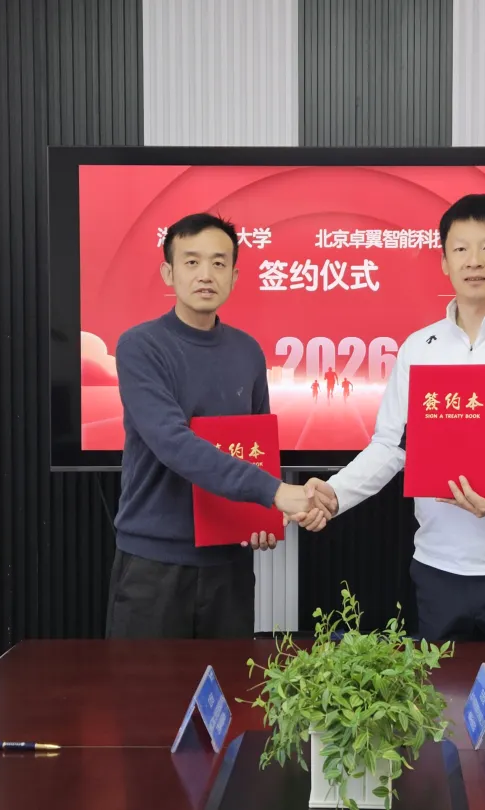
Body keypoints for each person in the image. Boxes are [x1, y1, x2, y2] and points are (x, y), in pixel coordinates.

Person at [293, 194, 485, 644]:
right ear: (444, 261)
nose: (474, 261)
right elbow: (391, 445)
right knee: (441, 692)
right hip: (438, 569)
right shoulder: (419, 347)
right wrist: (335, 494)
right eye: (460, 249)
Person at [106, 212, 329, 640]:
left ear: (234, 275)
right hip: (155, 563)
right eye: (191, 262)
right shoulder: (140, 346)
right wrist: (276, 493)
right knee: (141, 686)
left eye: (219, 263)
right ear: (168, 273)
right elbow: (174, 444)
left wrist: (262, 517)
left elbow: (258, 449)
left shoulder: (247, 351)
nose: (205, 274)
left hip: (229, 563)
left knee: (228, 684)